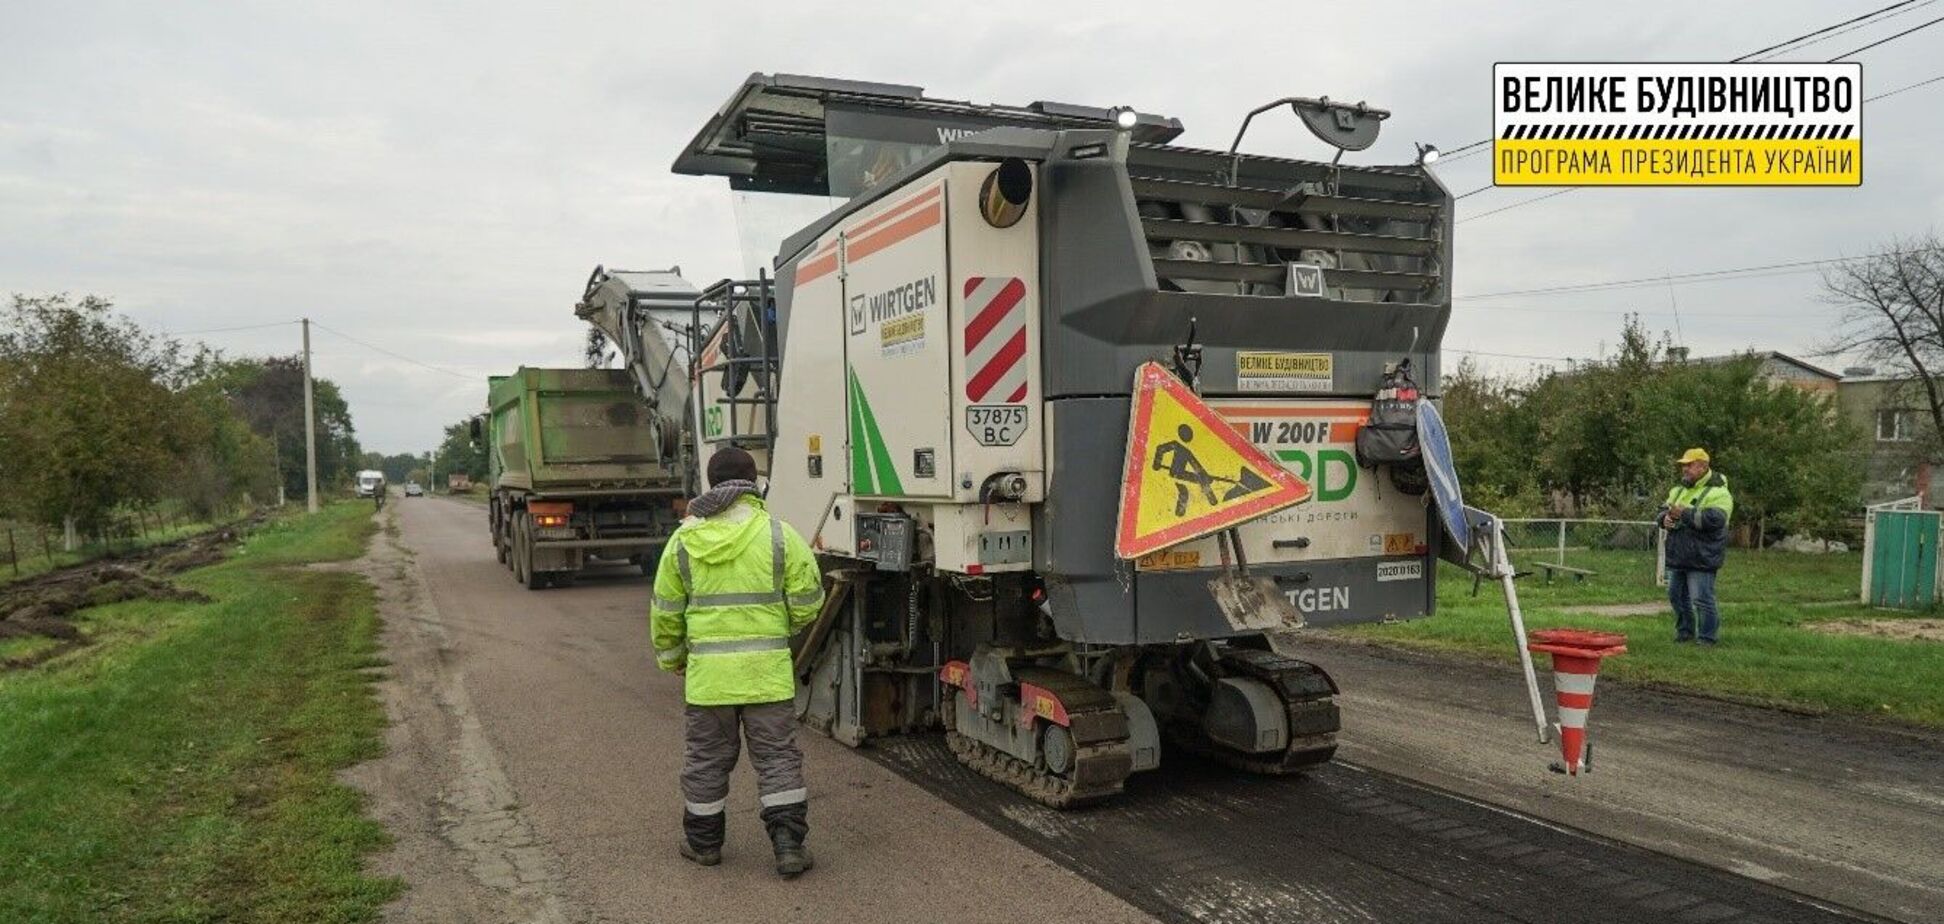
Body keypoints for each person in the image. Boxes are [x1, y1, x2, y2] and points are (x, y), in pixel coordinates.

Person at [650, 447, 824, 878]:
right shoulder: (780, 535)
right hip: (767, 677)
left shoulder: (683, 541)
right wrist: (781, 627)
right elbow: (808, 600)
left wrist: (674, 659)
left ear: (711, 484)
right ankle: (788, 850)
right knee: (778, 759)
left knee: (707, 758)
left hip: (709, 681)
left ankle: (704, 844)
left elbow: (665, 613)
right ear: (754, 482)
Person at [1657, 448, 1734, 645]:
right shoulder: (1678, 490)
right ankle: (1685, 633)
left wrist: (1684, 514)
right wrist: (1663, 519)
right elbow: (1662, 511)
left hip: (1702, 555)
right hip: (1679, 553)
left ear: (1703, 466)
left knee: (1702, 599)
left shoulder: (1719, 492)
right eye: (1684, 465)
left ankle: (1707, 639)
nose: (1685, 469)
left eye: (1689, 465)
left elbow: (1715, 520)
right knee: (1676, 596)